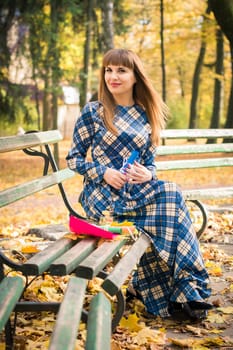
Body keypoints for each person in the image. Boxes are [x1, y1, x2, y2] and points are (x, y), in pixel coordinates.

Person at [66, 48, 212, 321]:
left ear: (136, 77)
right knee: (172, 199)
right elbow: (72, 160)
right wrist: (103, 172)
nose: (113, 76)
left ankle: (178, 292)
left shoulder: (146, 114)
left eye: (121, 70)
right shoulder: (94, 111)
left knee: (170, 206)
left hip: (138, 194)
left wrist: (148, 174)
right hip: (102, 197)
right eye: (109, 70)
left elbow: (150, 163)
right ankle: (188, 289)